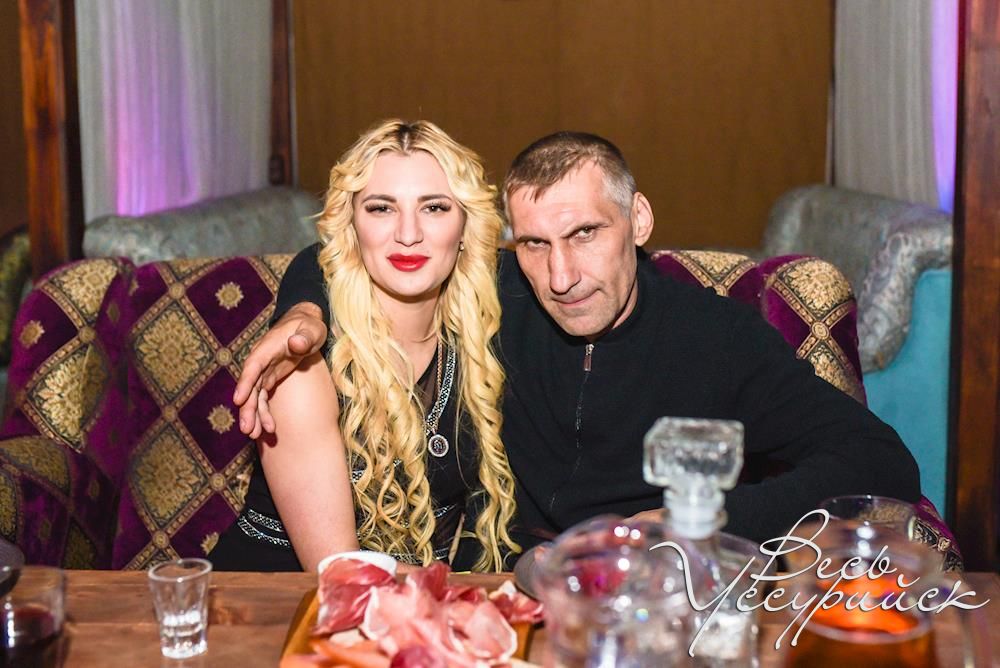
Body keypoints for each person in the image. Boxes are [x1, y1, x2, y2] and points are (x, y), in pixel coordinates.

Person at [234, 131, 920, 554]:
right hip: (504, 589)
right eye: (535, 244)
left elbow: (878, 458)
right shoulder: (499, 295)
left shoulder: (718, 337)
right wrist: (304, 315)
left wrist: (690, 521)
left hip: (647, 594)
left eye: (585, 234)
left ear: (638, 219)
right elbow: (355, 255)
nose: (561, 277)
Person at [211, 120, 519, 573]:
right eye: (381, 208)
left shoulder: (484, 330)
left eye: (434, 207)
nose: (408, 234)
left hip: (416, 599)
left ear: (465, 225)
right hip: (275, 599)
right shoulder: (299, 366)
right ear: (352, 225)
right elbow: (342, 572)